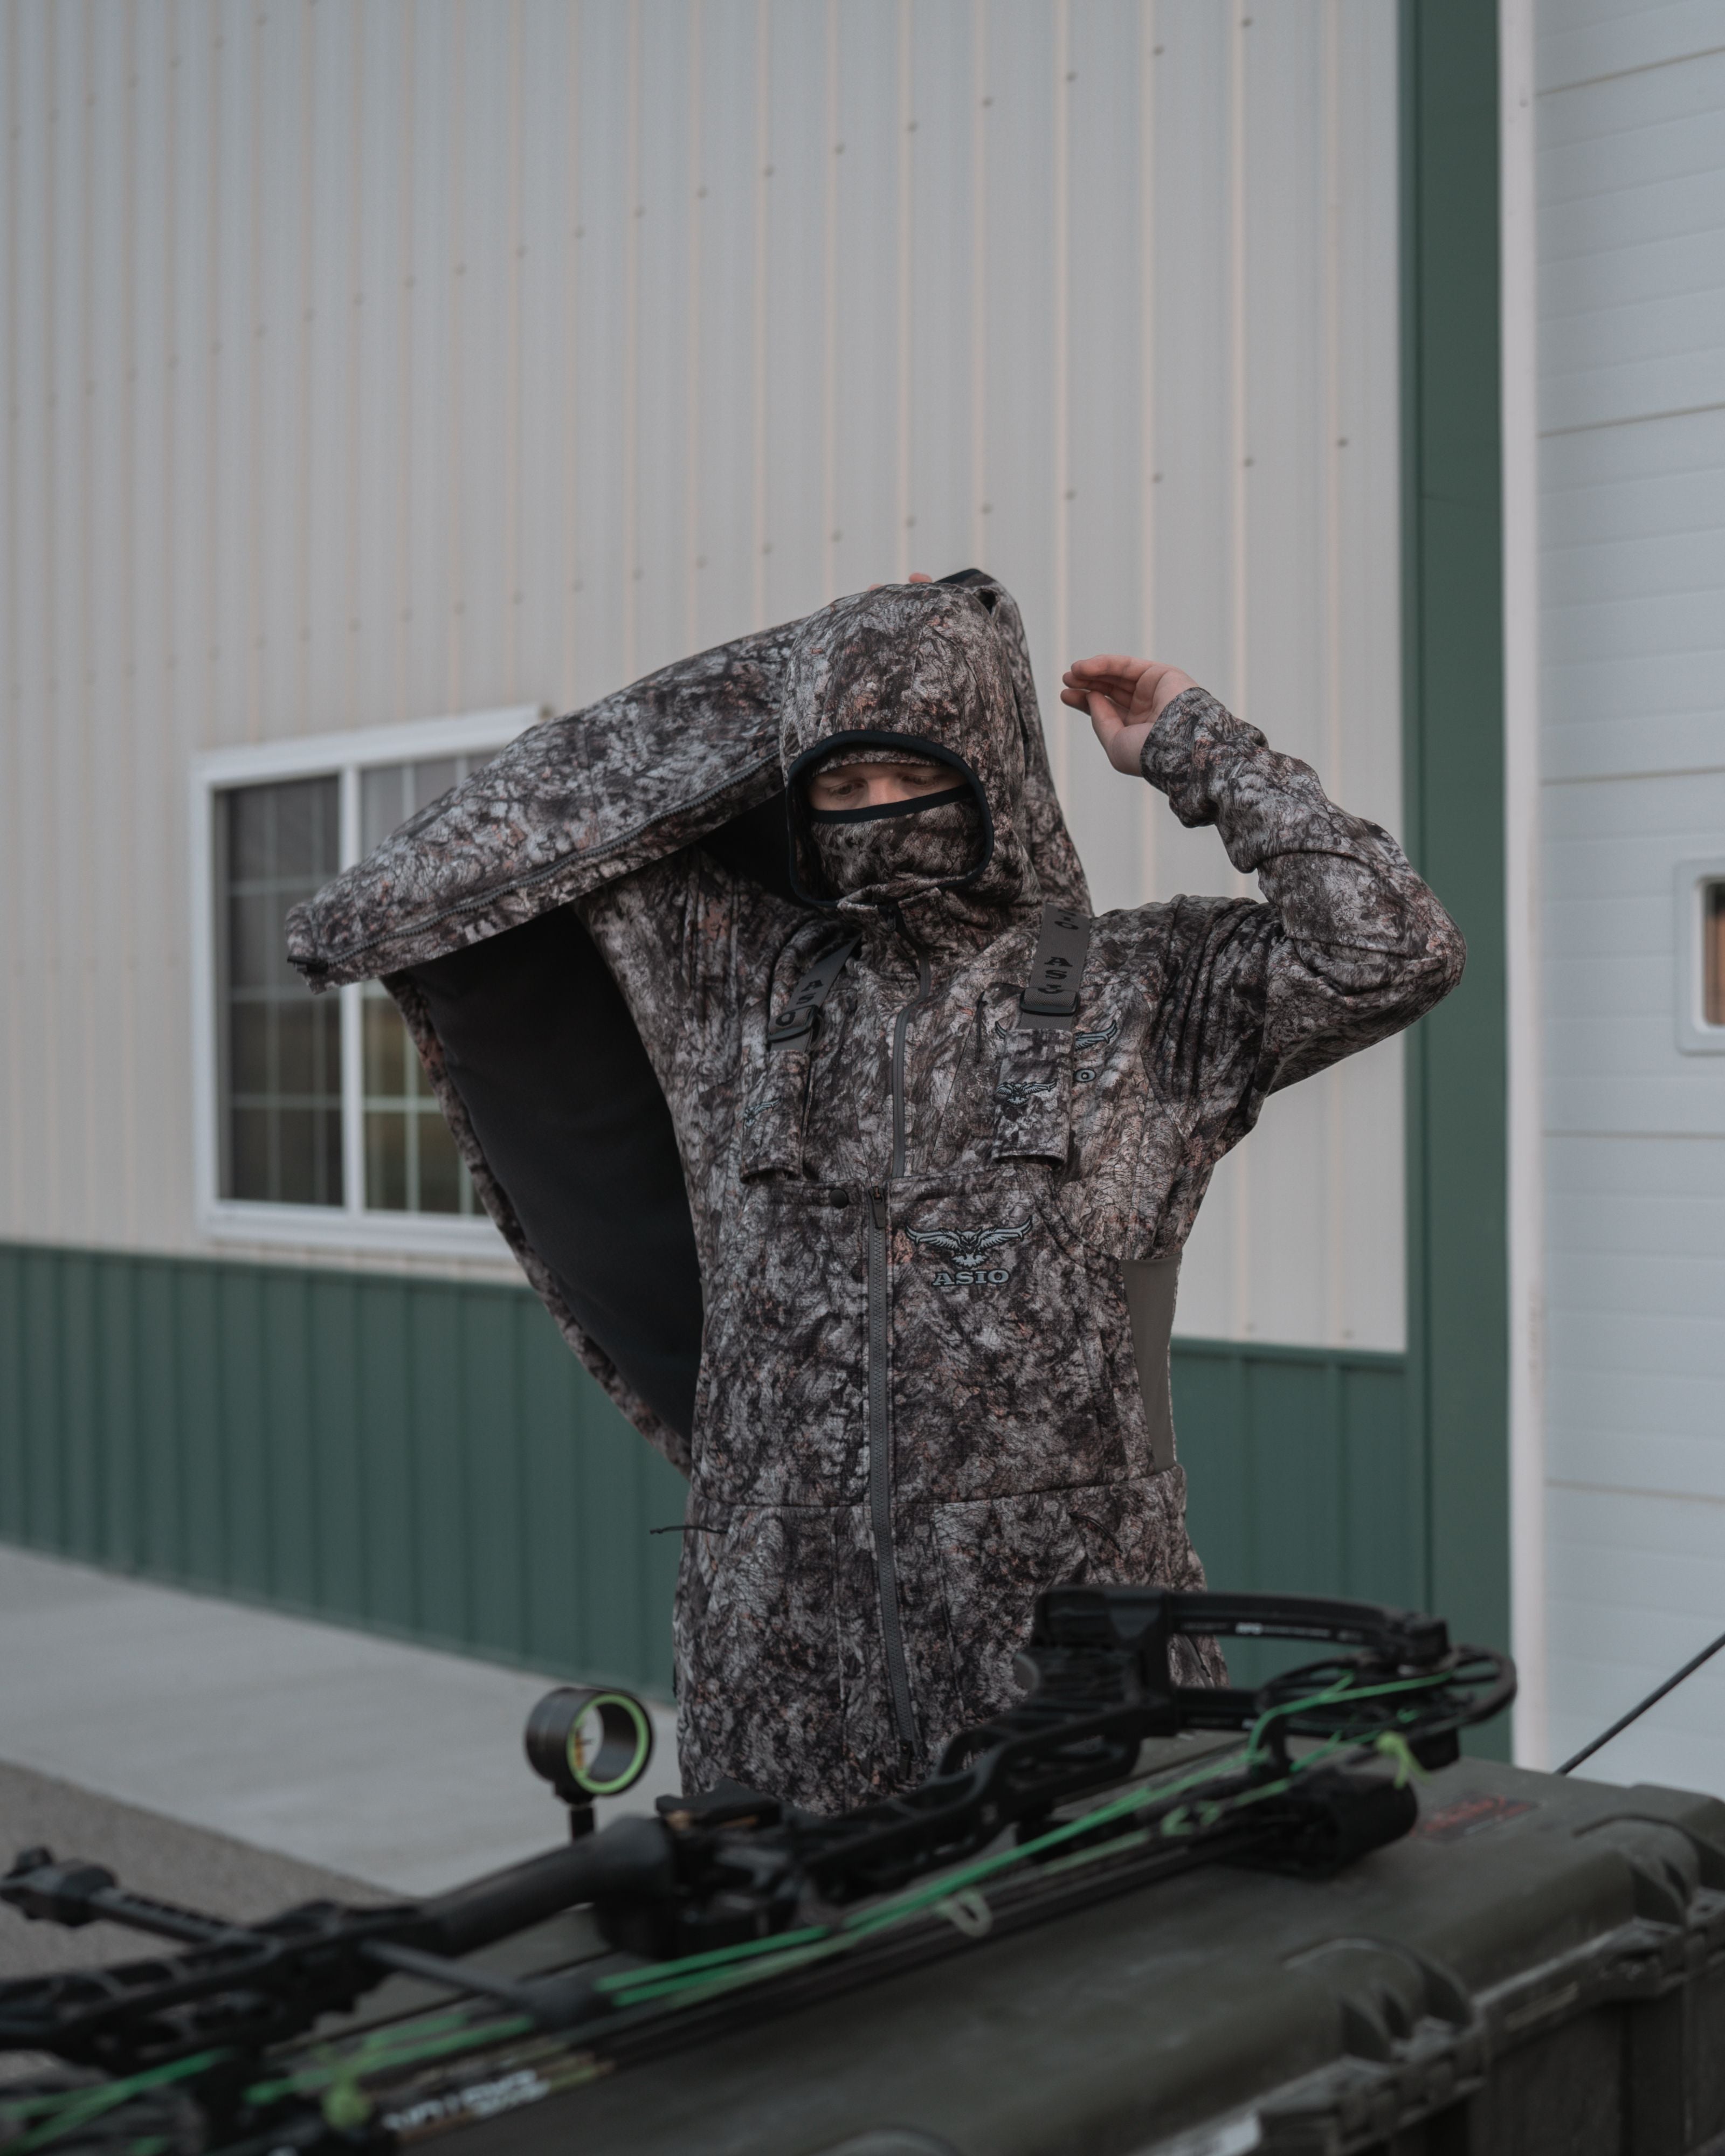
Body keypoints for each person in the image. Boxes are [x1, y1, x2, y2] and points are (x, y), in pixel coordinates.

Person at [288, 572, 1462, 1815]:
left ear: (994, 766)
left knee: (1105, 1988)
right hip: (777, 1667)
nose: (878, 813)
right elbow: (443, 867)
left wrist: (1193, 742)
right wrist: (805, 660)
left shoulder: (1142, 989)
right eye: (839, 786)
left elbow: (1390, 946)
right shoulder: (734, 980)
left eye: (914, 771)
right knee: (808, 2000)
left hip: (1062, 1657)